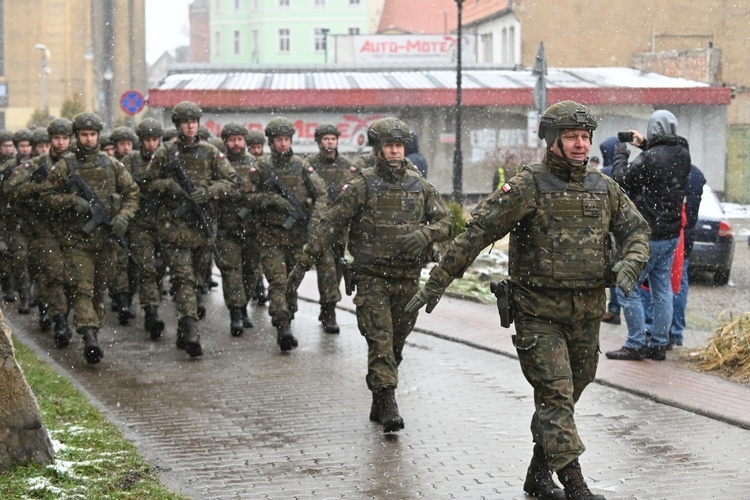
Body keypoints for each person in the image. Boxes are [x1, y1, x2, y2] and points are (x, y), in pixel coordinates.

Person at [405, 101, 650, 499]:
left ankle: (538, 475)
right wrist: (438, 280)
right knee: (556, 396)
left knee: (570, 393)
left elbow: (638, 231)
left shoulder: (603, 187)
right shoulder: (527, 186)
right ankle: (575, 484)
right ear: (553, 139)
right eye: (571, 136)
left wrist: (631, 263)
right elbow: (477, 231)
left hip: (587, 314)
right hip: (538, 315)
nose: (579, 144)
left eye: (585, 137)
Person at [287, 117, 453, 432]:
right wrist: (303, 262)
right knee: (380, 340)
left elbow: (446, 222)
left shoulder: (420, 185)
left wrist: (427, 234)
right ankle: (389, 401)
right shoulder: (363, 184)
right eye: (389, 146)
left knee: (396, 344)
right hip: (371, 277)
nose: (394, 152)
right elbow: (330, 223)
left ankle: (380, 397)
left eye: (399, 146)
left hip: (407, 279)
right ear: (378, 149)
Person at [40, 112, 140, 364]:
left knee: (98, 292)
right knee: (81, 289)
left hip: (106, 241)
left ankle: (92, 328)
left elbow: (132, 193)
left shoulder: (111, 164)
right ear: (77, 136)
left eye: (92, 135)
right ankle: (88, 337)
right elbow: (46, 197)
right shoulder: (66, 166)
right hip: (76, 241)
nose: (88, 139)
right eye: (83, 135)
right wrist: (71, 201)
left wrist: (123, 218)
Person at [143, 101, 238, 357]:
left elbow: (231, 181)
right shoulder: (165, 153)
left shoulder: (210, 152)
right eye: (185, 122)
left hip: (202, 228)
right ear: (178, 125)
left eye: (194, 121)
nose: (190, 125)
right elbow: (147, 182)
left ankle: (185, 328)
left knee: (196, 280)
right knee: (183, 279)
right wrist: (168, 186)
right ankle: (191, 326)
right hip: (174, 228)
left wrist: (209, 192)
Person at [606, 110, 691, 362]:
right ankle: (658, 343)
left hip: (646, 236)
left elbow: (621, 181)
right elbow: (671, 149)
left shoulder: (650, 159)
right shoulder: (683, 155)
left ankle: (634, 344)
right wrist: (644, 144)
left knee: (627, 288)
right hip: (670, 235)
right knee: (661, 289)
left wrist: (621, 153)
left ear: (653, 129)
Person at [243, 116, 327, 351]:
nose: (283, 144)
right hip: (269, 236)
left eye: (286, 140)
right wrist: (271, 200)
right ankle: (282, 324)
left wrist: (315, 220)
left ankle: (287, 317)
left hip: (297, 236)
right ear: (271, 142)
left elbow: (321, 194)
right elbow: (247, 197)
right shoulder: (262, 167)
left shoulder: (301, 165)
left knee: (290, 282)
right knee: (277, 282)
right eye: (278, 140)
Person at [3, 118, 73, 344]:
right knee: (48, 273)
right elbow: (11, 190)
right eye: (51, 141)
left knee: (72, 278)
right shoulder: (33, 166)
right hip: (37, 228)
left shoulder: (75, 163)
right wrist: (39, 187)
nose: (54, 145)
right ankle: (55, 316)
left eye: (64, 138)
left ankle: (58, 312)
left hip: (71, 229)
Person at [642, 164, 705, 348]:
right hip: (684, 235)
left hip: (666, 234)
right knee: (676, 283)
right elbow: (691, 213)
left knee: (652, 284)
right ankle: (674, 332)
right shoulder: (695, 174)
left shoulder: (663, 170)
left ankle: (652, 329)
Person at [305, 122, 359, 333]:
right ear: (319, 142)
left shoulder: (347, 165)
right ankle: (329, 311)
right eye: (326, 139)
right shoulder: (309, 164)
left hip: (341, 227)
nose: (329, 143)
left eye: (333, 139)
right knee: (326, 267)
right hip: (320, 226)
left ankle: (327, 305)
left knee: (337, 268)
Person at [121, 118, 167, 340]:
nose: (151, 144)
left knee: (161, 267)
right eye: (147, 140)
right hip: (140, 224)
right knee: (147, 268)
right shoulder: (130, 161)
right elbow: (124, 189)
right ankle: (151, 311)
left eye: (155, 140)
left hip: (165, 222)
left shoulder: (167, 159)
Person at [215, 122, 260, 336]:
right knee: (232, 272)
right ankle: (235, 313)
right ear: (226, 142)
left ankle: (244, 307)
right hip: (227, 228)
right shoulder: (218, 164)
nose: (236, 143)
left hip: (252, 229)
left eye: (239, 139)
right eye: (232, 139)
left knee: (251, 271)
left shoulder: (255, 164)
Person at [598, 136, 622, 325]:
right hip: (624, 229)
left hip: (608, 229)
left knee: (612, 268)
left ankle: (613, 309)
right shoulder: (629, 170)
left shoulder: (604, 173)